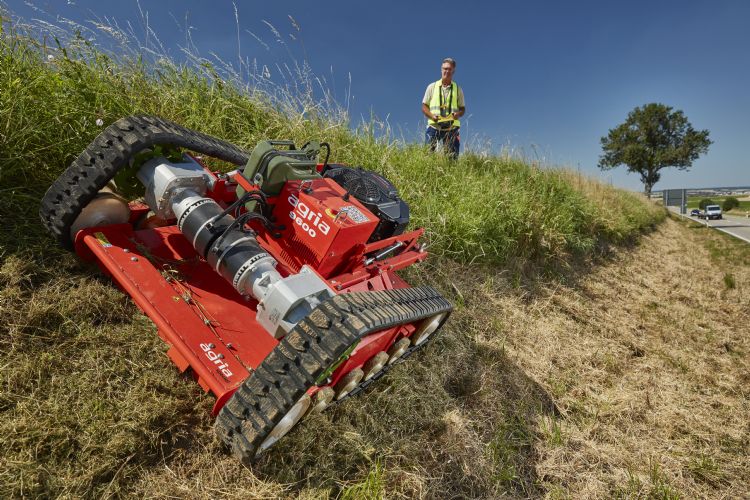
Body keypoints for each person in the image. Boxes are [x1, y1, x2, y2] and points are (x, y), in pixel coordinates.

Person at [422, 57, 466, 159]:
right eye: (445, 68)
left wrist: (458, 114)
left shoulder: (458, 89)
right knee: (428, 156)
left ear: (453, 71)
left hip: (452, 128)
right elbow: (424, 106)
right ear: (441, 69)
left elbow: (463, 109)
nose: (447, 71)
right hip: (434, 126)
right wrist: (432, 116)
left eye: (449, 69)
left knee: (452, 158)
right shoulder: (432, 87)